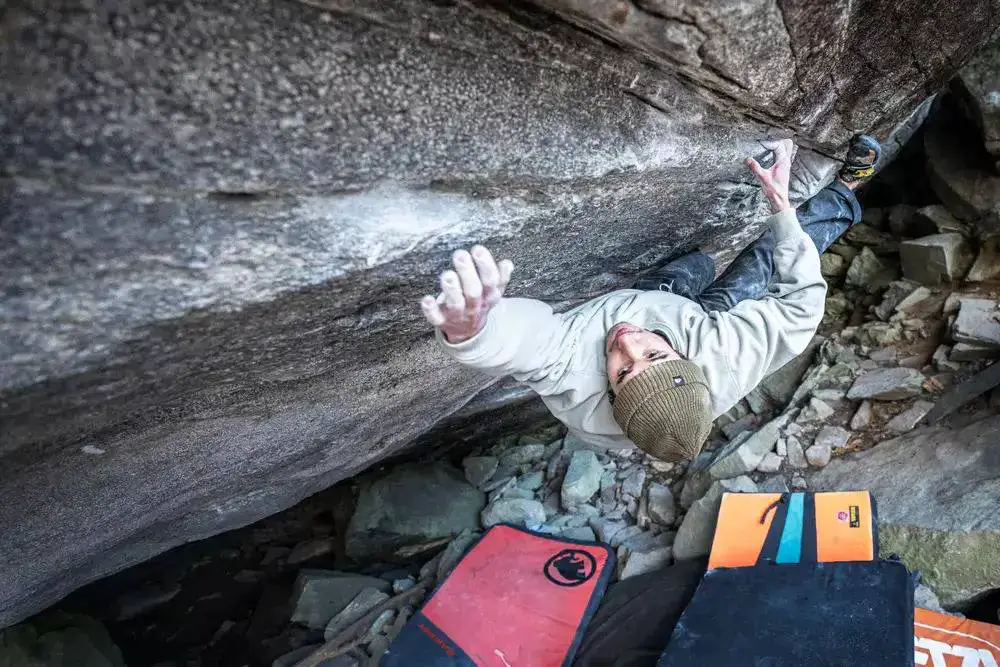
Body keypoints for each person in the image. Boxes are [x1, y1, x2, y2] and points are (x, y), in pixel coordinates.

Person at [419, 136, 880, 462]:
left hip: (667, 310)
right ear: (684, 357)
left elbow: (524, 346)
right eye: (652, 354)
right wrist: (781, 204)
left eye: (622, 371)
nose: (626, 343)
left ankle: (676, 283)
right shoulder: (731, 354)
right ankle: (847, 192)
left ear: (608, 387)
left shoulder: (577, 380)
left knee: (693, 266)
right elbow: (801, 306)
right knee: (765, 258)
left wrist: (473, 330)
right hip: (694, 319)